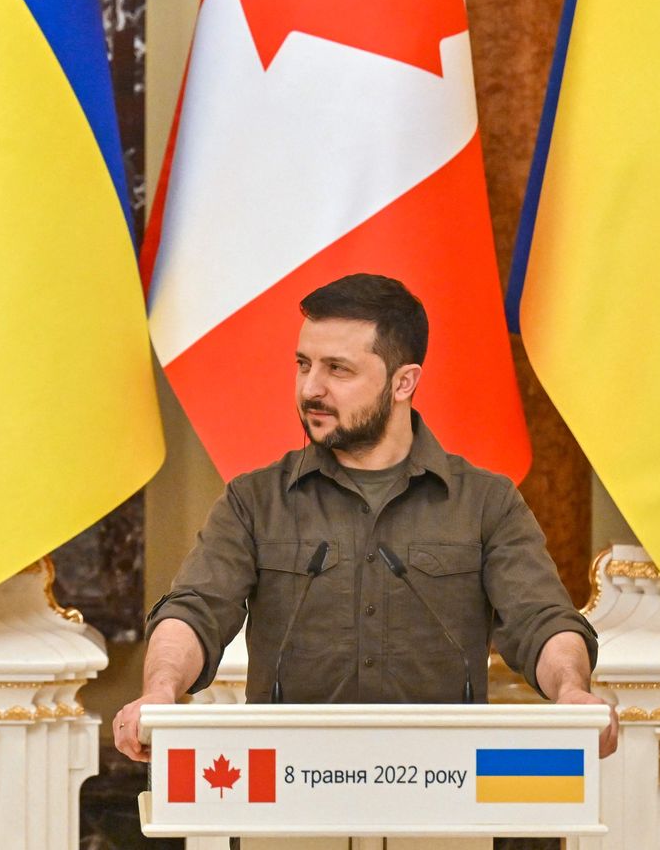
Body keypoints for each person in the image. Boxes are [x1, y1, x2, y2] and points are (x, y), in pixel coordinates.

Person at [112, 273, 616, 761]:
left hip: (445, 788)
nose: (311, 388)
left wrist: (572, 691)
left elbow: (541, 620)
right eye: (303, 364)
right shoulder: (254, 500)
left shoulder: (486, 502)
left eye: (338, 369)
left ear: (403, 383)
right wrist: (160, 689)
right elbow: (194, 611)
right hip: (287, 788)